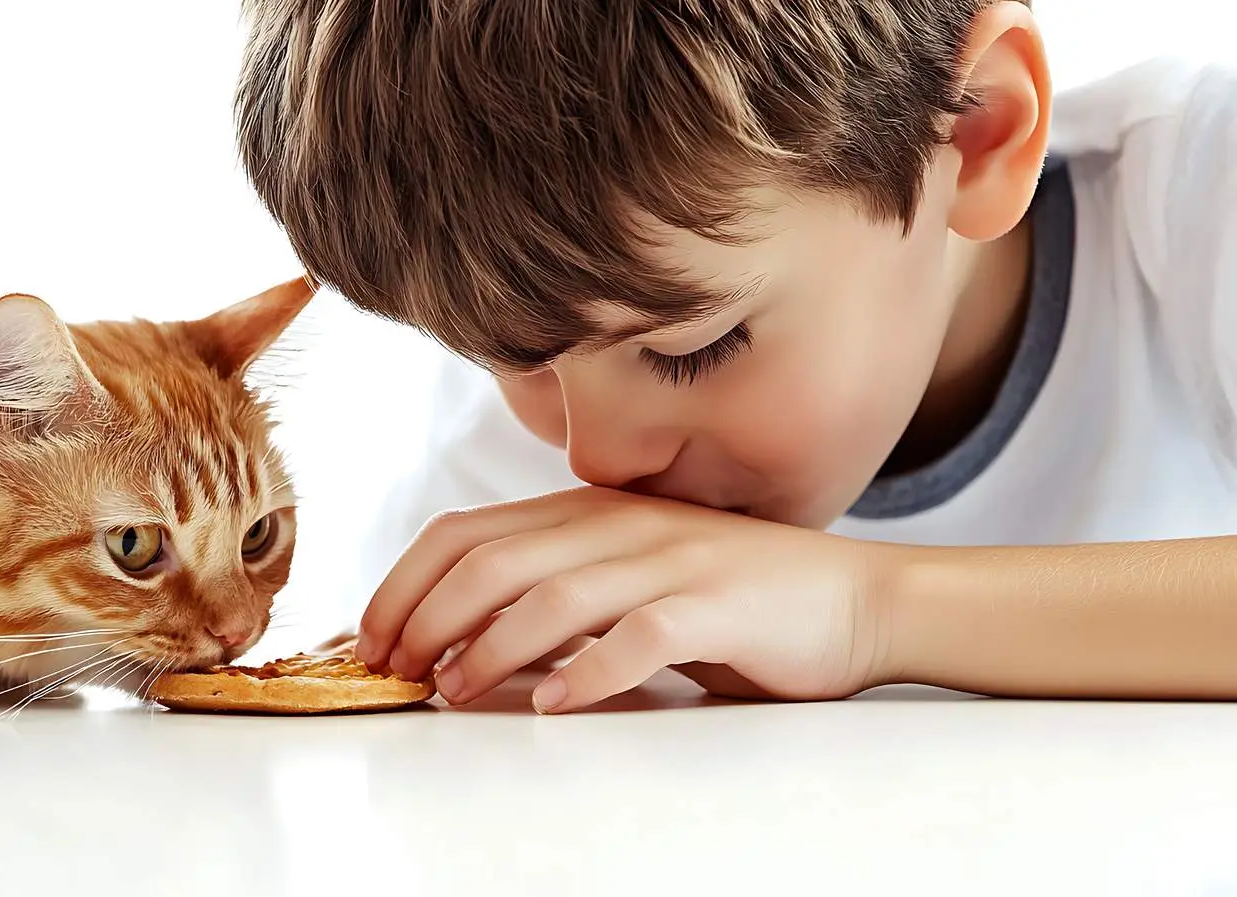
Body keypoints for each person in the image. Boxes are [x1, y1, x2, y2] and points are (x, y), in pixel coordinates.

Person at [236, 1, 1237, 713]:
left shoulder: (1195, 192)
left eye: (690, 350)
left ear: (974, 130)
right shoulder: (506, 467)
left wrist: (870, 610)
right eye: (518, 359)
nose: (592, 456)